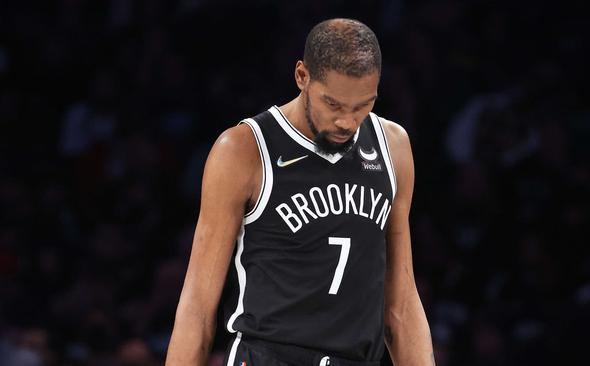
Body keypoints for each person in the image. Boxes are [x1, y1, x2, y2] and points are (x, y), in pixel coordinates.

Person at [166, 18, 435, 366]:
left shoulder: (393, 148)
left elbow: (400, 302)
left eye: (362, 106)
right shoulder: (244, 149)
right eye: (334, 105)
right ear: (302, 77)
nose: (347, 122)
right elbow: (198, 306)